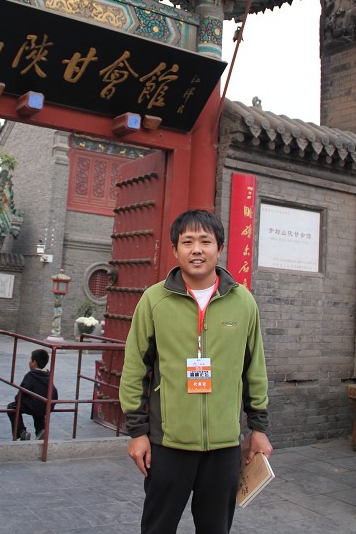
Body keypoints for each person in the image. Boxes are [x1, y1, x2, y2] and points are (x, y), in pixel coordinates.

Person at [119, 209, 272, 534]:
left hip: (224, 447)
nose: (197, 250)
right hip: (168, 444)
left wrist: (258, 428)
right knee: (158, 528)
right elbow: (134, 369)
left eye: (205, 241)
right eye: (187, 242)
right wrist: (136, 432)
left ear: (220, 248)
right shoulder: (154, 300)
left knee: (216, 529)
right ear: (175, 249)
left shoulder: (242, 302)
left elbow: (254, 369)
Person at [7, 348, 58, 440]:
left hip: (35, 406)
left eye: (30, 359)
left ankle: (21, 432)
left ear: (34, 362)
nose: (29, 362)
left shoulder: (30, 375)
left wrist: (18, 400)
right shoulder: (48, 375)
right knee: (39, 406)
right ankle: (41, 430)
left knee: (11, 407)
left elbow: (21, 393)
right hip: (47, 406)